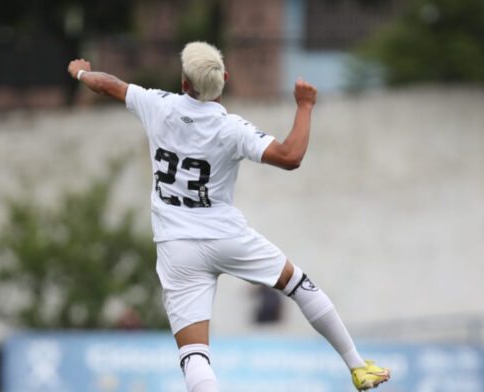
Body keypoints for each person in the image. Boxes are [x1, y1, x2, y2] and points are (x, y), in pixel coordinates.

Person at [67, 42, 389, 391]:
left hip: (177, 247)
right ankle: (358, 367)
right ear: (225, 80)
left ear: (185, 82)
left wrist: (82, 71)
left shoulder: (158, 105)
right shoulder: (231, 128)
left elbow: (108, 84)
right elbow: (290, 155)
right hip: (225, 236)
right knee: (298, 285)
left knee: (194, 355)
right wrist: (306, 105)